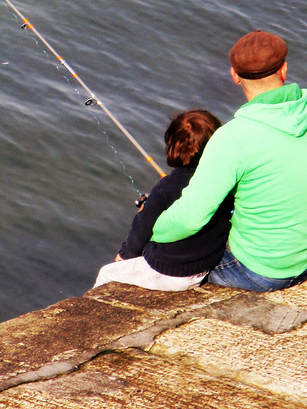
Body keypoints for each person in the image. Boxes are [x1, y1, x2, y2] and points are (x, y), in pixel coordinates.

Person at [151, 30, 307, 292]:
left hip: (256, 271)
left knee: (165, 255)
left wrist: (151, 229)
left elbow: (189, 219)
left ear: (234, 76)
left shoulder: (233, 137)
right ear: (284, 70)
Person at [93, 110, 234, 291]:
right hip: (205, 264)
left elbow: (142, 229)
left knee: (107, 273)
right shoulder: (224, 182)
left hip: (173, 272)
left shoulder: (165, 188)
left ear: (172, 146)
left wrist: (125, 255)